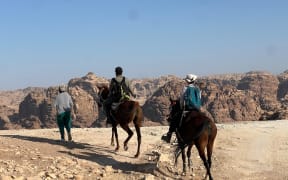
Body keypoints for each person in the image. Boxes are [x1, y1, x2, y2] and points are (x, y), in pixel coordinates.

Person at [162, 74, 202, 143]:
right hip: (197, 109)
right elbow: (199, 98)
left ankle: (169, 136)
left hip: (188, 108)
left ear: (187, 81)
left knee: (174, 120)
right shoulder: (197, 89)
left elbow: (182, 100)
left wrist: (181, 107)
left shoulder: (186, 88)